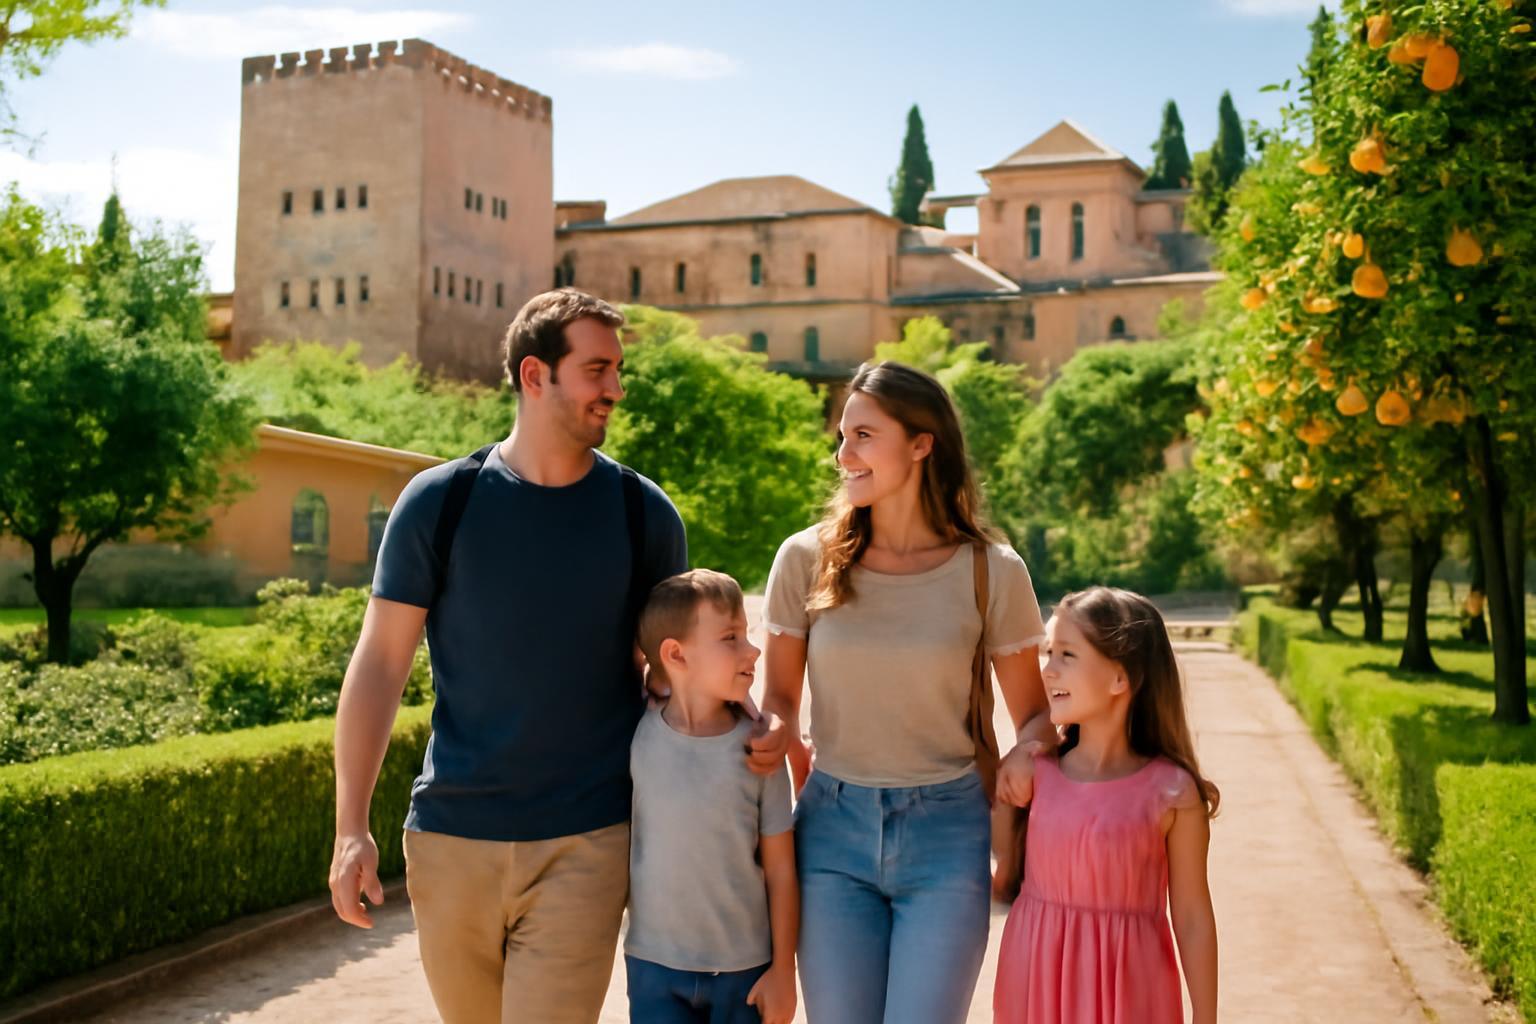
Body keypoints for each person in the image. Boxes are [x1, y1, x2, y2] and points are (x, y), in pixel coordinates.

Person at [327, 289, 776, 1024]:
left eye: (618, 370)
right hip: (450, 839)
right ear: (536, 375)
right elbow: (379, 665)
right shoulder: (440, 503)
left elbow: (678, 671)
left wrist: (752, 718)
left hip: (587, 841)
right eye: (597, 369)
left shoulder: (644, 514)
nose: (616, 389)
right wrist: (351, 828)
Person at [761, 360, 1056, 1024]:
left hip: (947, 834)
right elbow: (779, 699)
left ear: (922, 444)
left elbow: (1036, 717)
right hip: (831, 833)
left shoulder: (991, 572)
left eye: (863, 435)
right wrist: (774, 734)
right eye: (842, 436)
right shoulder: (804, 560)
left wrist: (1025, 755)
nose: (844, 454)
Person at [992, 586, 1220, 1024]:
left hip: (1131, 988)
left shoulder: (1173, 792)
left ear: (1121, 679)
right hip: (1033, 979)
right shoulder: (1035, 774)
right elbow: (1000, 876)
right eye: (1048, 652)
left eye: (1066, 656)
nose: (1047, 671)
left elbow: (1191, 916)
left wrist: (1205, 1018)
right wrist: (1020, 757)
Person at [626, 569, 798, 1024]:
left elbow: (781, 870)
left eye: (746, 634)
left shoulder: (759, 750)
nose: (753, 649)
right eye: (731, 637)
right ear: (676, 654)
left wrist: (784, 972)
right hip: (653, 967)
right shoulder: (635, 738)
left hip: (745, 974)